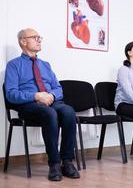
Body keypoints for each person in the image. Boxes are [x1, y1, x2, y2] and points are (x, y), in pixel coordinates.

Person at [4, 28, 80, 181]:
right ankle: (54, 164)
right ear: (23, 41)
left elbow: (58, 88)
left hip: (51, 102)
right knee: (49, 113)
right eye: (35, 37)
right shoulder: (13, 65)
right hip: (29, 105)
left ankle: (67, 161)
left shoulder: (45, 65)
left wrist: (51, 95)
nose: (39, 40)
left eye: (40, 37)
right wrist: (36, 95)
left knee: (69, 111)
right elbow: (11, 93)